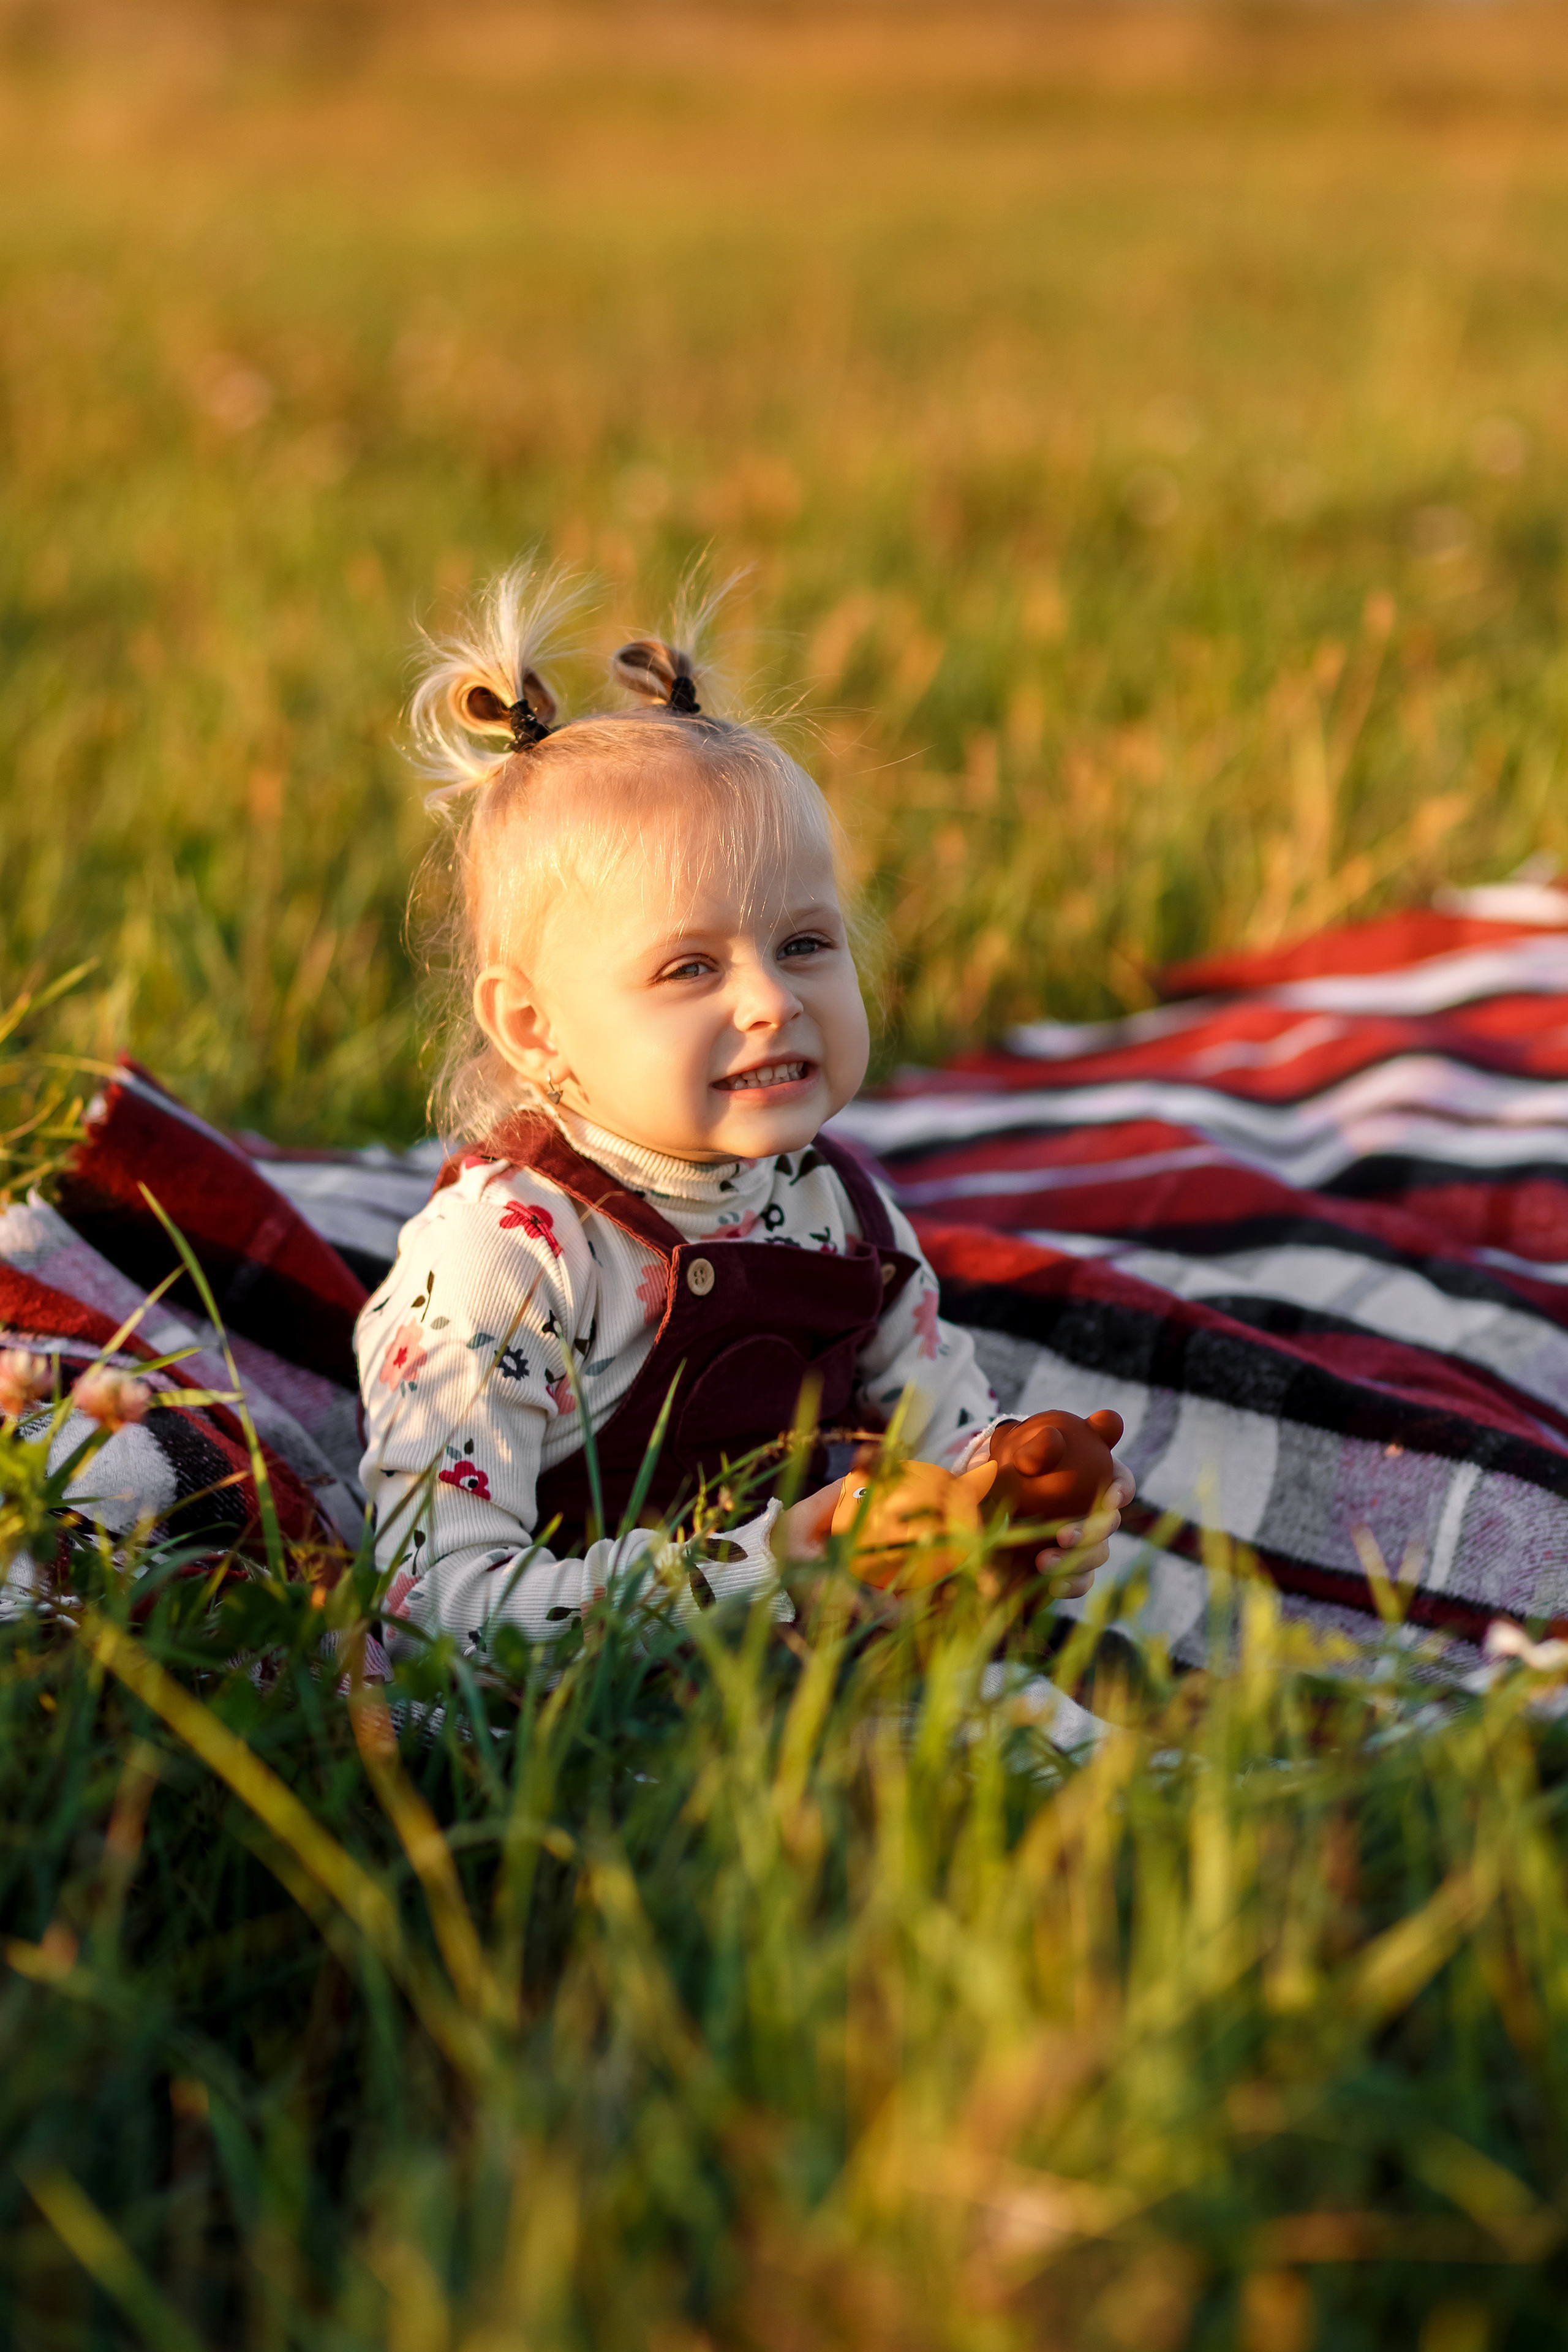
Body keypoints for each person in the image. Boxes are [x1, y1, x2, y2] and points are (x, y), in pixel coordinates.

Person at [356, 564, 1135, 1651]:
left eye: (804, 944)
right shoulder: (503, 1259)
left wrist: (1009, 1497)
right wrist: (769, 1565)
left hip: (831, 1673)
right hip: (582, 1736)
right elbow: (434, 1605)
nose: (773, 1000)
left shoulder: (840, 1208)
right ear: (533, 1026)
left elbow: (941, 1435)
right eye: (689, 969)